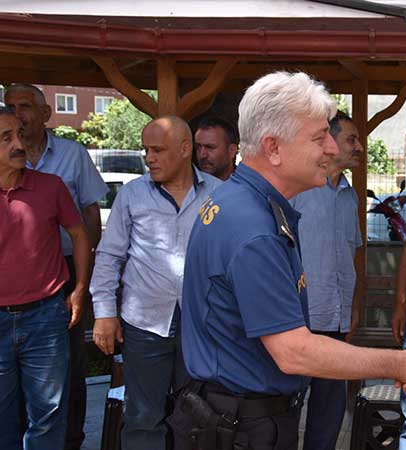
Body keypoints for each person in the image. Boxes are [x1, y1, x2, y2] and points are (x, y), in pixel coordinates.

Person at [176, 71, 406, 450]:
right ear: (273, 147)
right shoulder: (253, 227)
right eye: (318, 138)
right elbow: (293, 351)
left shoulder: (244, 202)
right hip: (239, 425)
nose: (331, 148)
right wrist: (401, 364)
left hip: (237, 415)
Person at [90, 116, 222, 450]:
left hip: (203, 324)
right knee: (143, 418)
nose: (149, 158)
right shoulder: (132, 195)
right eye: (146, 150)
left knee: (199, 417)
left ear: (185, 149)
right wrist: (104, 313)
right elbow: (109, 255)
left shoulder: (220, 194)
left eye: (158, 150)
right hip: (145, 324)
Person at [5, 83, 107, 450]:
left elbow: (88, 217)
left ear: (46, 113)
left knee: (66, 372)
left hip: (61, 274)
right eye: (10, 106)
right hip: (13, 280)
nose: (18, 114)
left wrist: (83, 280)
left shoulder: (70, 157)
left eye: (25, 106)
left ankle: (71, 441)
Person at [290, 110, 363, 450]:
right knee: (287, 408)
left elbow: (353, 255)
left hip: (338, 321)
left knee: (329, 414)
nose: (359, 147)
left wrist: (354, 305)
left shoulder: (350, 195)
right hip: (300, 320)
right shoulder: (299, 190)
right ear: (329, 142)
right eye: (352, 139)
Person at [194, 116, 239, 181]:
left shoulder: (249, 184)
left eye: (210, 147)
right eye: (198, 147)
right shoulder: (188, 184)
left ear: (232, 151)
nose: (202, 155)